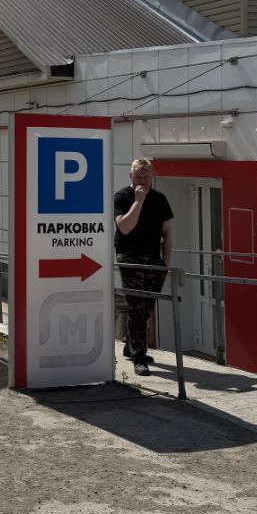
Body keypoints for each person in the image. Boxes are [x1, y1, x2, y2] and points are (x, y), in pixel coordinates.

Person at [114, 158, 173, 376]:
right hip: (129, 256)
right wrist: (138, 202)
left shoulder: (160, 199)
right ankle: (139, 356)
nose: (143, 181)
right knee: (136, 306)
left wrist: (166, 263)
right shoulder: (122, 197)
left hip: (154, 259)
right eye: (139, 176)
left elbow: (167, 233)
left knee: (147, 306)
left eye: (147, 176)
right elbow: (125, 227)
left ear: (152, 176)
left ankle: (130, 344)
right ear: (131, 176)